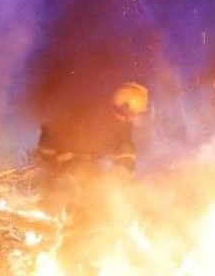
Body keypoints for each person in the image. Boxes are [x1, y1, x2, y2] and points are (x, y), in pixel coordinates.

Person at [34, 81, 148, 218]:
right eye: (133, 113)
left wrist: (125, 175)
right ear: (124, 107)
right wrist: (54, 161)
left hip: (87, 164)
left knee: (101, 188)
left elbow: (125, 151)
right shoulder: (87, 115)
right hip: (64, 162)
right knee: (83, 194)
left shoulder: (124, 124)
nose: (134, 118)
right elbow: (50, 138)